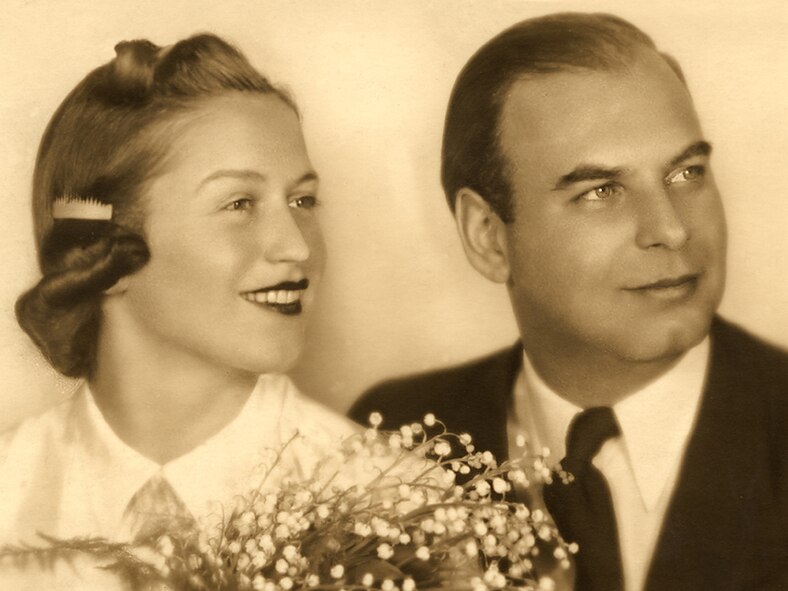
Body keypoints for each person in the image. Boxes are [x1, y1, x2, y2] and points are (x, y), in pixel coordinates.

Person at [350, 12, 788, 591]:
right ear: (488, 235)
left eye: (687, 173)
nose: (672, 230)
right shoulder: (388, 443)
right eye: (601, 191)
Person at [0, 33, 362, 584]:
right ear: (102, 250)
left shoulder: (394, 497)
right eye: (239, 203)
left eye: (302, 201)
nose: (298, 246)